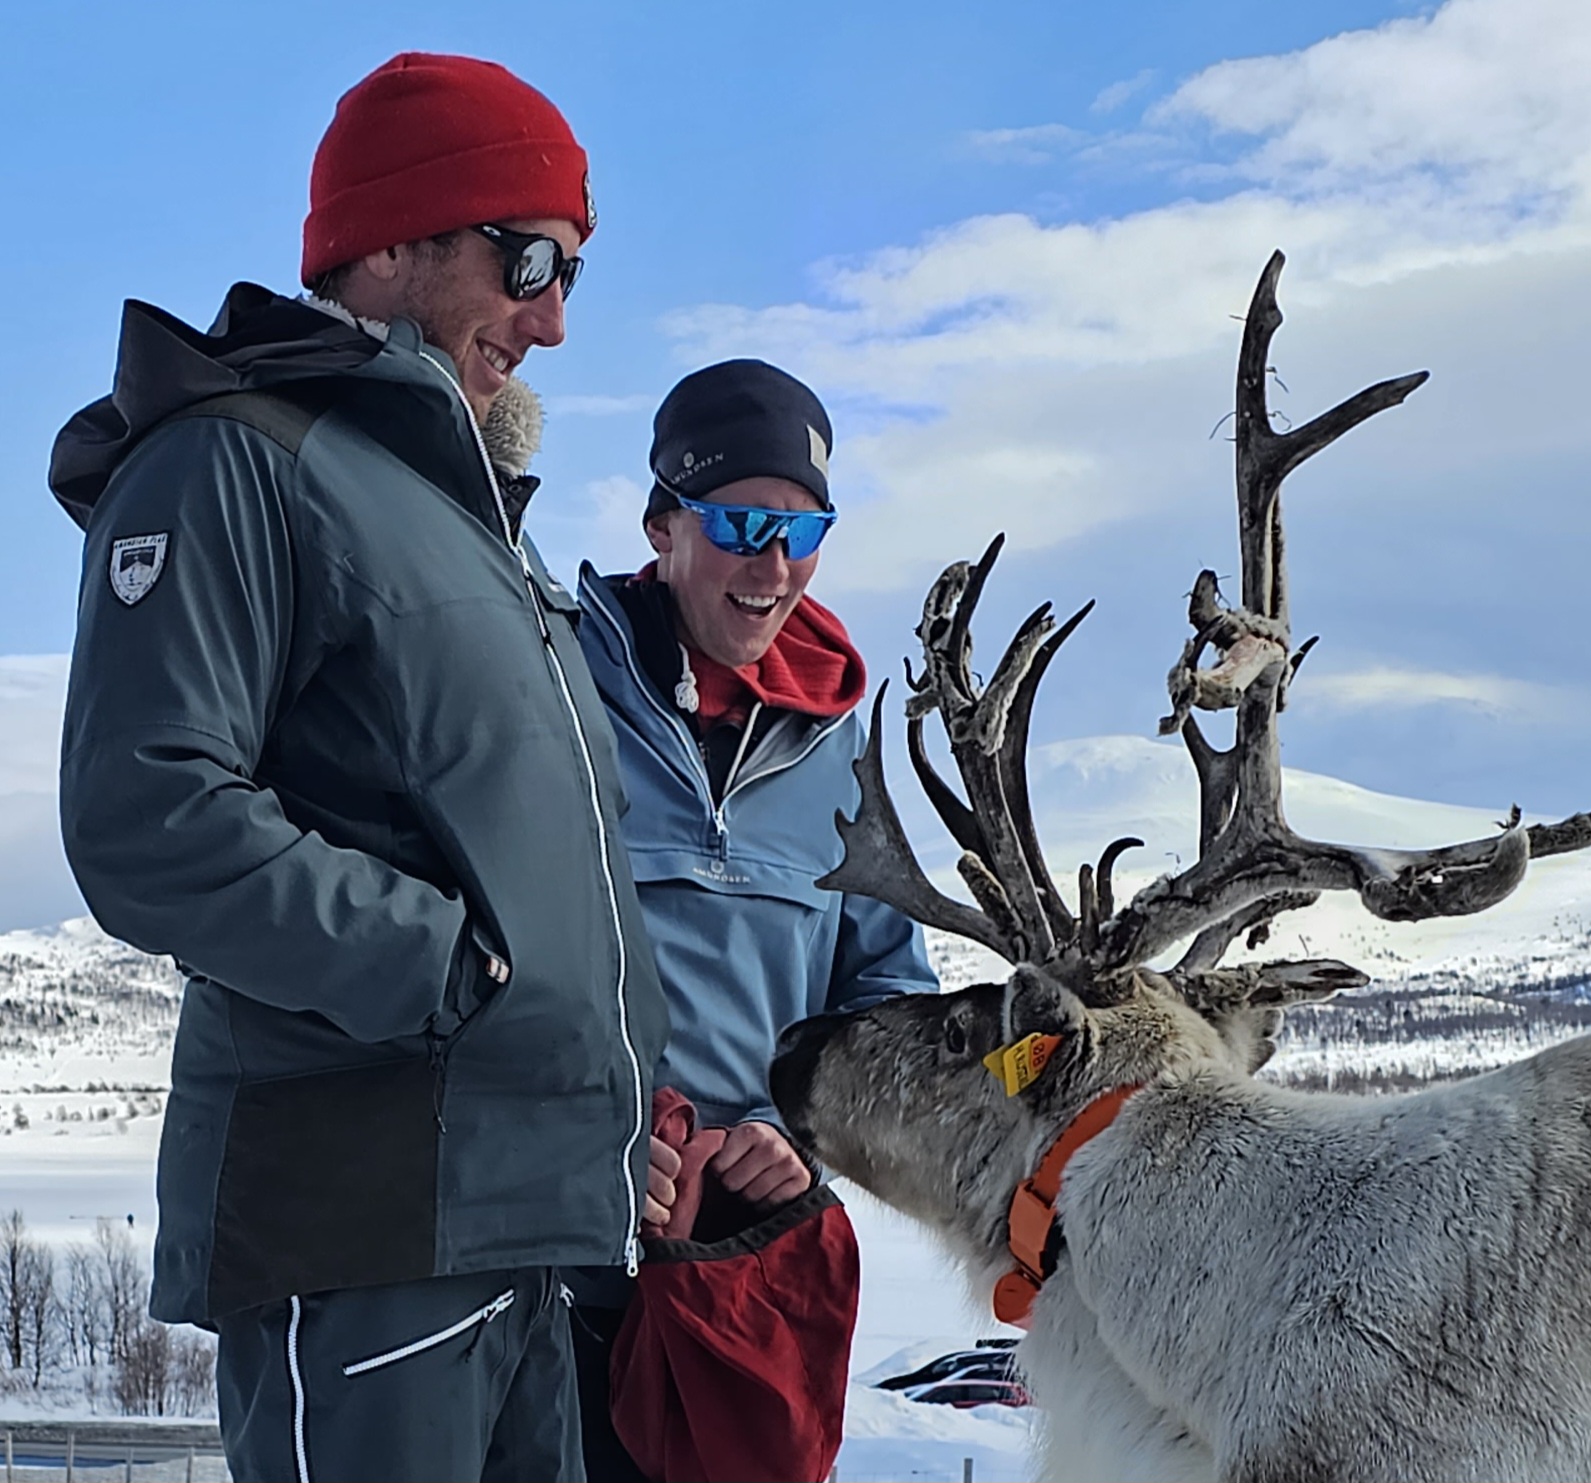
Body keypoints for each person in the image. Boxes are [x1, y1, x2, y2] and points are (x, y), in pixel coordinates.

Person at [49, 53, 666, 1483]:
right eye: (529, 258)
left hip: (517, 1223)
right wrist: (450, 972)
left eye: (573, 269)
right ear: (390, 245)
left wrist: (627, 1097)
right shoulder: (236, 460)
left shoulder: (470, 533)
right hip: (367, 1222)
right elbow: (150, 814)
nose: (555, 316)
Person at [572, 360, 939, 1481]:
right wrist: (591, 1146)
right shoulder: (557, 691)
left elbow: (887, 1003)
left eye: (804, 529)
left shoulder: (839, 754)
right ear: (662, 524)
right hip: (564, 1259)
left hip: (742, 1269)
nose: (773, 567)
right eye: (740, 524)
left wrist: (801, 1134)